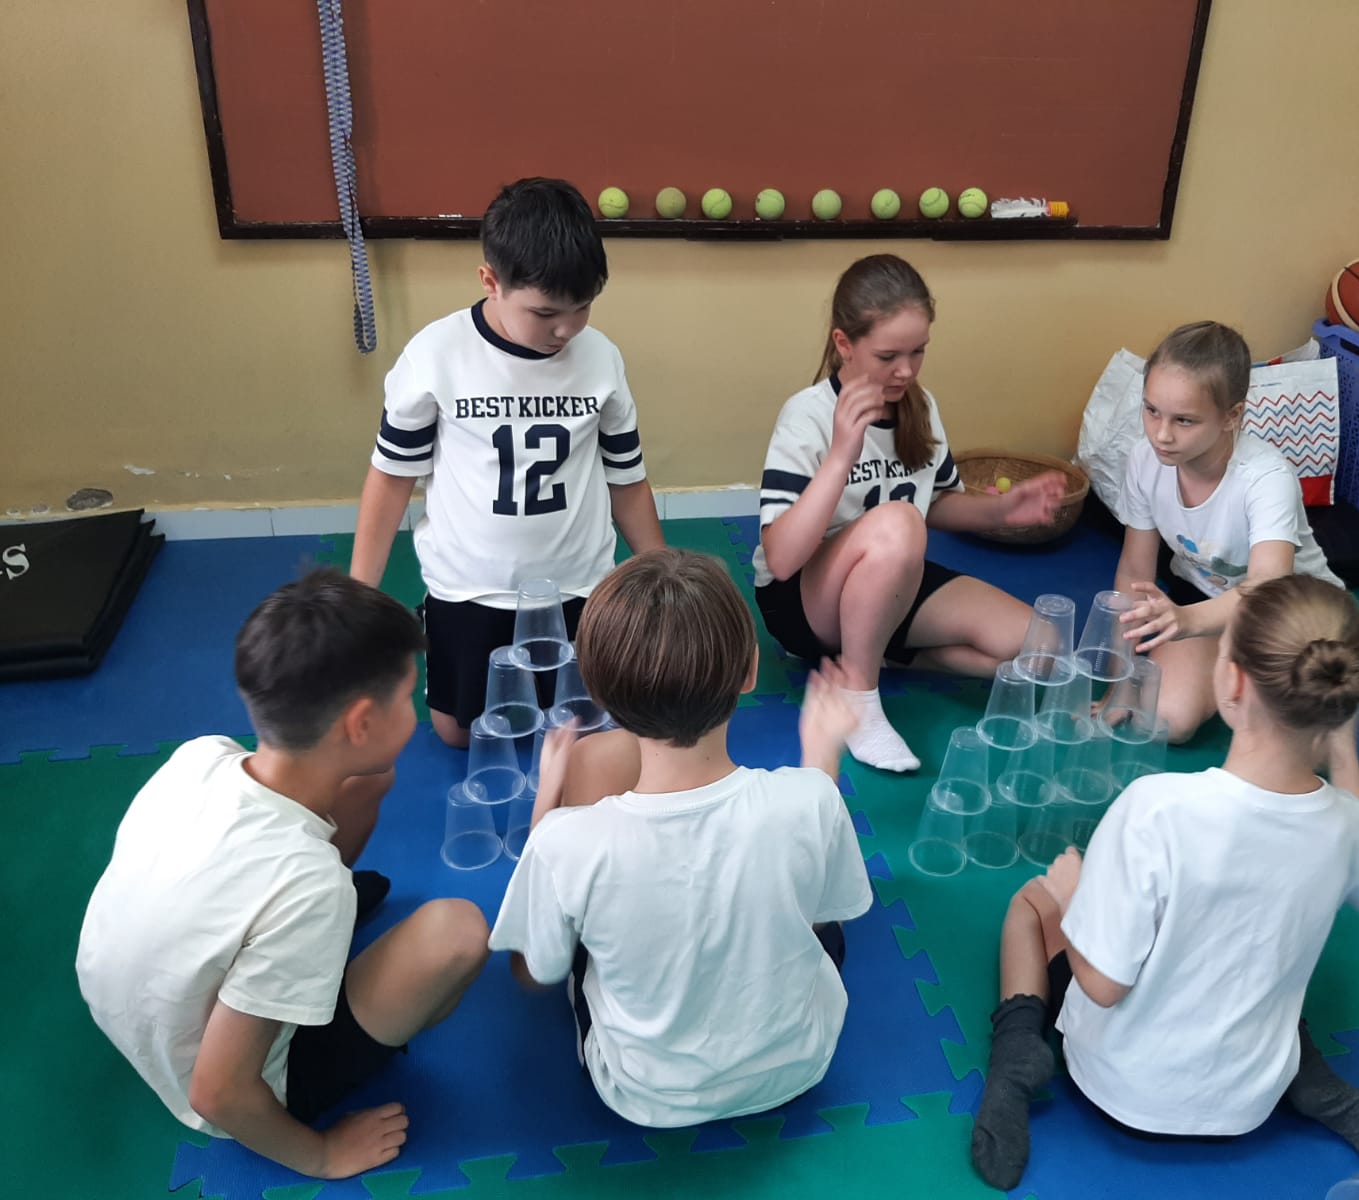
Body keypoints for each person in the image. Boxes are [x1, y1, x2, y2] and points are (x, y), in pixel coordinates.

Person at [969, 574, 1359, 1190]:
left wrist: (1075, 898)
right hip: (1249, 1100)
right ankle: (1309, 1079)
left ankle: (1015, 1058)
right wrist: (1340, 745)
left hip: (1120, 1086)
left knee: (1030, 904)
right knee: (1259, 951)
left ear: (1232, 681)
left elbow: (1102, 985)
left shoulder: (1156, 807)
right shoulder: (1346, 827)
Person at [76, 569, 489, 1180]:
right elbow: (217, 1093)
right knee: (458, 933)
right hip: (222, 1084)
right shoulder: (310, 888)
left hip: (133, 1009)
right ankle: (302, 945)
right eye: (408, 695)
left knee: (367, 782)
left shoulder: (201, 755)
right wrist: (322, 1155)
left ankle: (298, 942)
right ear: (360, 724)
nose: (416, 709)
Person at [488, 548, 874, 1127]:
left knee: (574, 921)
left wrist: (548, 802)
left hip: (644, 1094)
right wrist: (821, 755)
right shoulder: (812, 798)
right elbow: (823, 919)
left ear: (597, 691)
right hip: (798, 1066)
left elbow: (532, 971)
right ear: (750, 672)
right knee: (811, 906)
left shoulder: (566, 842)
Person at [349, 175, 662, 804]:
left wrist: (666, 576)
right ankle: (437, 623)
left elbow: (627, 480)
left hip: (577, 580)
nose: (566, 329)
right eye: (545, 313)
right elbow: (391, 479)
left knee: (587, 726)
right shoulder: (437, 355)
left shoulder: (600, 358)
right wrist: (357, 597)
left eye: (583, 307)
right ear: (490, 281)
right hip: (473, 584)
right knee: (458, 735)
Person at [752, 254, 1068, 773]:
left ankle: (879, 650)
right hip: (803, 601)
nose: (906, 370)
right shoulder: (806, 415)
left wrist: (1003, 510)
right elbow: (782, 560)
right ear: (844, 344)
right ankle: (859, 696)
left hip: (891, 581)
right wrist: (841, 455)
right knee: (899, 522)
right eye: (888, 355)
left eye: (918, 351)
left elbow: (936, 503)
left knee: (1041, 650)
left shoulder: (921, 407)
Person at [1111, 320, 1341, 743]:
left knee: (1300, 743)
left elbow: (1267, 588)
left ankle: (1244, 673)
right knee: (1166, 721)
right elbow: (1134, 572)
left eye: (1184, 420)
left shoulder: (1266, 477)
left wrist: (1186, 620)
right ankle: (1226, 666)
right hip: (1212, 607)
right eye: (1151, 410)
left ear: (1232, 415)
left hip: (1296, 614)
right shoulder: (1145, 460)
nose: (1161, 434)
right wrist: (1121, 682)